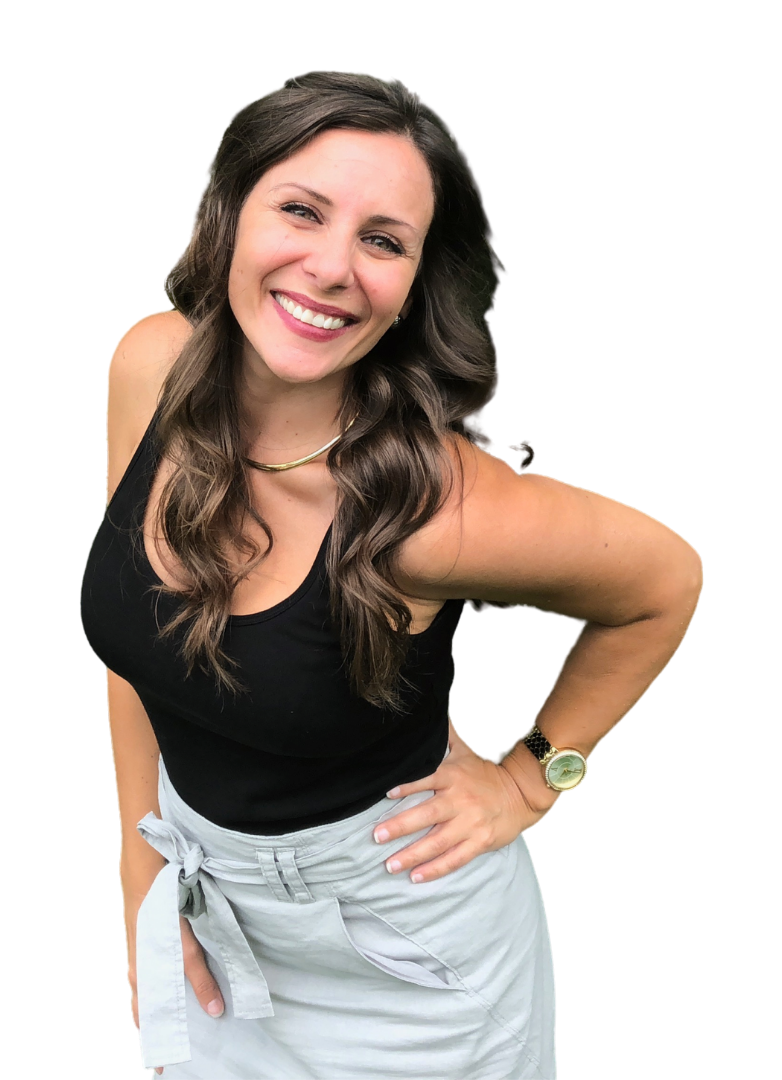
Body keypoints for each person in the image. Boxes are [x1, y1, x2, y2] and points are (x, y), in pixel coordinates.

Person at [80, 71, 704, 1080]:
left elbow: (665, 581)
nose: (332, 267)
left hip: (403, 953)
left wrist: (529, 780)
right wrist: (144, 887)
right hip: (207, 908)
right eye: (300, 210)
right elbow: (141, 657)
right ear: (224, 210)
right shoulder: (151, 368)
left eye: (382, 240)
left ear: (414, 282)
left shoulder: (431, 508)